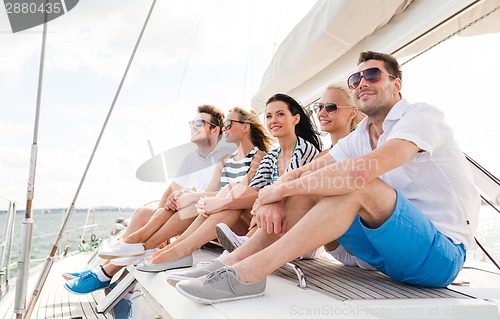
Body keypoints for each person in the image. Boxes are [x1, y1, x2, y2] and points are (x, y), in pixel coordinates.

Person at [174, 51, 480, 304]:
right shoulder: (361, 134)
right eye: (356, 78)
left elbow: (363, 171)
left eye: (372, 75)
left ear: (396, 84)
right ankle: (226, 265)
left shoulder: (421, 116)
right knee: (311, 184)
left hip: (439, 255)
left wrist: (278, 192)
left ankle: (249, 275)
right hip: (383, 252)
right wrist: (280, 193)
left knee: (356, 185)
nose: (362, 83)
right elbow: (306, 170)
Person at [136, 93, 322, 272]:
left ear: (295, 119)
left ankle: (177, 250)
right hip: (265, 223)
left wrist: (222, 202)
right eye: (269, 116)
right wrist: (218, 200)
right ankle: (178, 248)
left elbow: (284, 194)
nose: (273, 120)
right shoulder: (273, 155)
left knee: (229, 196)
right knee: (231, 191)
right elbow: (253, 191)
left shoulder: (304, 150)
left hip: (297, 231)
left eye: (280, 114)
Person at [64, 104, 233, 294]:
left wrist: (166, 226)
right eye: (192, 123)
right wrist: (161, 217)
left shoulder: (224, 157)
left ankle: (105, 273)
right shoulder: (191, 158)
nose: (193, 126)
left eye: (199, 123)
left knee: (185, 207)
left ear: (215, 129)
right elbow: (170, 192)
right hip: (188, 212)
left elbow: (223, 194)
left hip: (204, 217)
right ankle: (101, 269)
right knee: (144, 212)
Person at [215, 84, 373, 268]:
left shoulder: (364, 148)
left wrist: (271, 198)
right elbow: (286, 182)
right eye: (319, 107)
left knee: (307, 189)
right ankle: (240, 250)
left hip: (365, 246)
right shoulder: (322, 156)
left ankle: (245, 250)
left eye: (330, 107)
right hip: (339, 246)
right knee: (293, 187)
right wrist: (266, 200)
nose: (322, 113)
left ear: (352, 112)